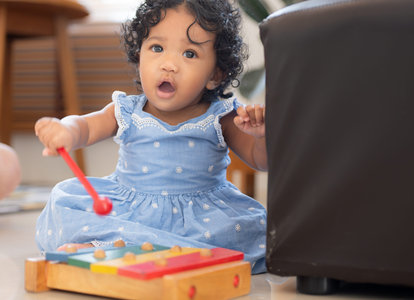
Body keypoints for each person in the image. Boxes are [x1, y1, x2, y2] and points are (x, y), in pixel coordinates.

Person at [34, 0, 267, 274]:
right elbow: (85, 127)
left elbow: (259, 160)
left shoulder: (222, 116)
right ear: (139, 55)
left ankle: (134, 252)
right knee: (65, 201)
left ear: (215, 75)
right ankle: (113, 246)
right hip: (131, 212)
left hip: (197, 219)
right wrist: (66, 130)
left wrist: (261, 136)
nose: (168, 64)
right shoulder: (127, 110)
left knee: (250, 232)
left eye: (189, 54)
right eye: (157, 48)